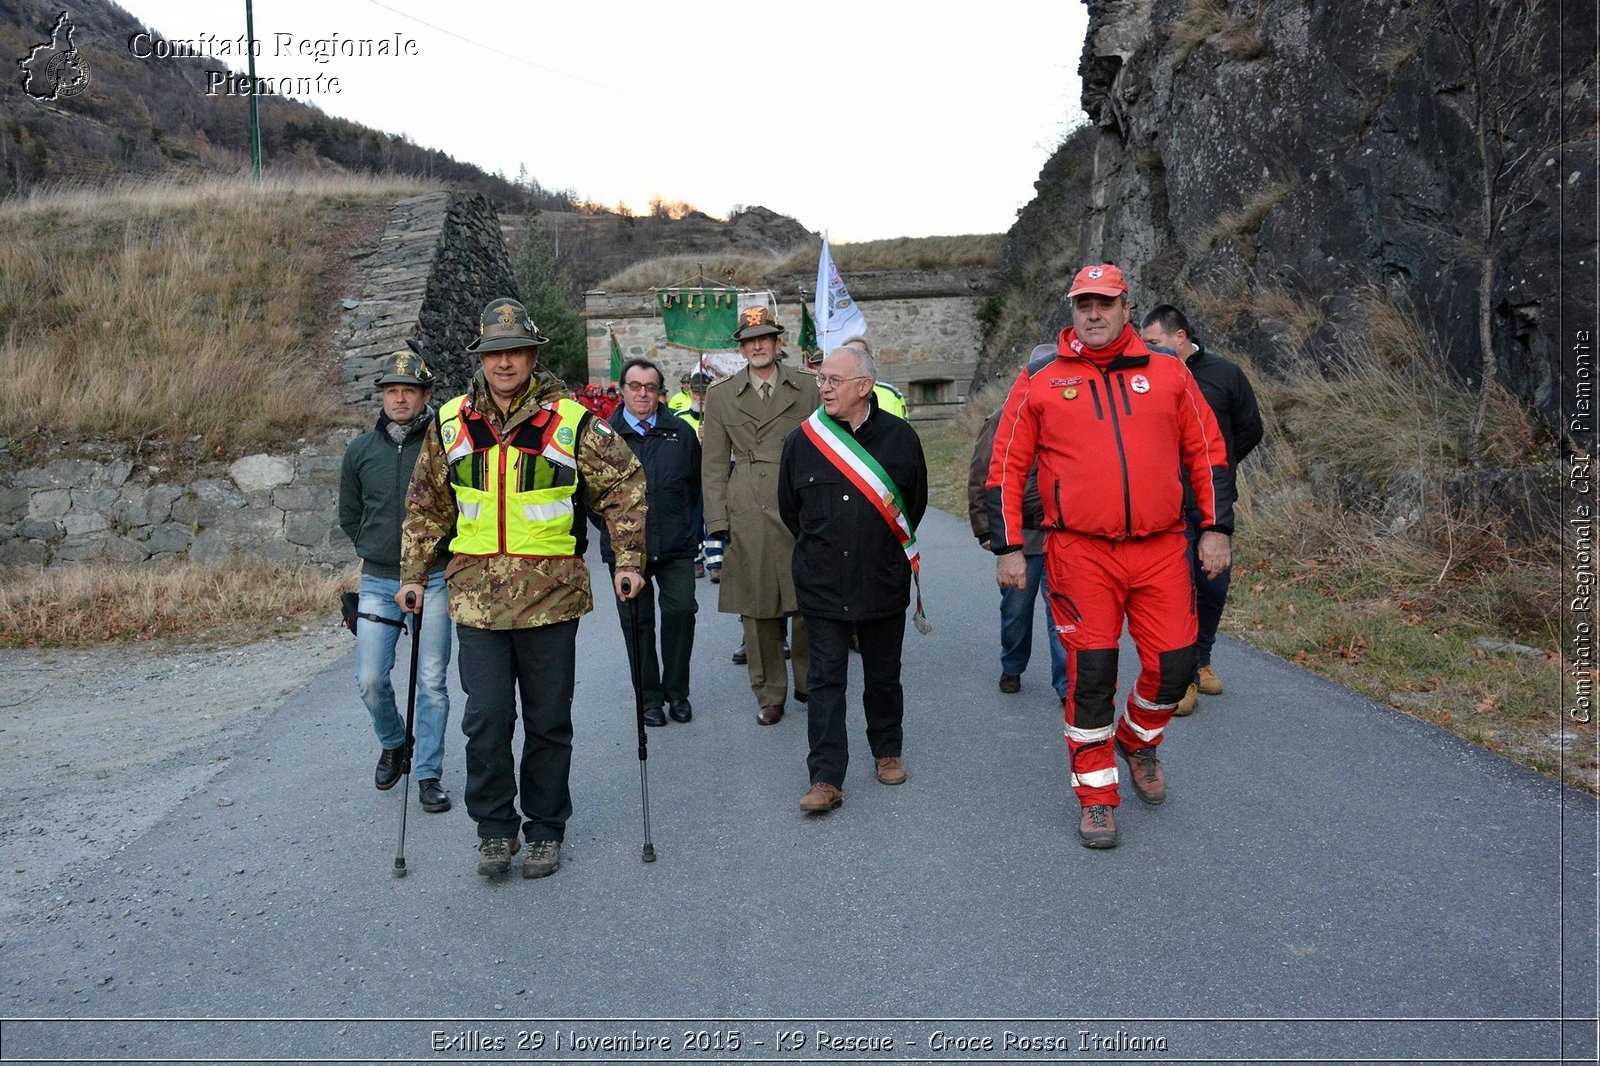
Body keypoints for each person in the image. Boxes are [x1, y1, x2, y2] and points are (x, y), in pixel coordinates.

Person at [398, 298, 646, 880]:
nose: (504, 363)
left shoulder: (571, 420)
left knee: (548, 719)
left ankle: (544, 830)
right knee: (485, 718)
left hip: (551, 600)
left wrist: (628, 558)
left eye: (514, 352)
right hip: (476, 601)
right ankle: (494, 830)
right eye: (493, 353)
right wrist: (412, 575)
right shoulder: (451, 421)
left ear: (533, 355)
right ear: (481, 359)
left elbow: (625, 486)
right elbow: (425, 505)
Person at [987, 264, 1233, 849]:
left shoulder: (1169, 371)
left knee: (1175, 666)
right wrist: (1009, 546)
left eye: (1105, 303)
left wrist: (1216, 528)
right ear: (1071, 310)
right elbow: (1006, 466)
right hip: (1079, 553)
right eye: (1083, 304)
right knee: (1091, 676)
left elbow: (1207, 450)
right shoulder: (1041, 376)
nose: (1093, 314)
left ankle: (1138, 739)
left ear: (1127, 307)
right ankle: (1096, 797)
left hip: (1161, 547)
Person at [780, 345, 927, 812]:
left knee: (884, 676)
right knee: (824, 681)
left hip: (881, 580)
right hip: (822, 583)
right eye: (821, 379)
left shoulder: (901, 439)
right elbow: (791, 512)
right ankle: (825, 778)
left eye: (833, 380)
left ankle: (887, 751)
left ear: (863, 387)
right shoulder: (801, 442)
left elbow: (914, 505)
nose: (823, 386)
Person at [338, 348, 454, 814]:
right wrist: (376, 546)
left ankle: (428, 773)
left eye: (408, 390)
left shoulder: (444, 446)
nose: (399, 398)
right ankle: (394, 741)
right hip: (379, 580)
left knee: (431, 681)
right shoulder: (360, 451)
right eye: (391, 390)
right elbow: (350, 514)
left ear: (426, 394)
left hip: (437, 578)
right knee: (369, 678)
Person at [1140, 304, 1263, 714]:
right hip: (1167, 504)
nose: (1148, 349)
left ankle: (1204, 659)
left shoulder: (1225, 374)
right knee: (1179, 588)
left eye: (1154, 341)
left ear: (1180, 337)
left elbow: (1250, 429)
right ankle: (1185, 677)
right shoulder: (1146, 378)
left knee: (1212, 585)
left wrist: (1217, 469)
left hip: (1214, 502)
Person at [701, 305, 819, 725]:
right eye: (750, 340)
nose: (758, 346)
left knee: (808, 598)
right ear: (742, 347)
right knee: (757, 605)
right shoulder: (720, 395)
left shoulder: (808, 388)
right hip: (747, 504)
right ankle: (770, 692)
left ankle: (809, 679)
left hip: (799, 502)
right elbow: (713, 463)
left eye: (764, 338)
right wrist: (717, 521)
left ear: (776, 342)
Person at [592, 356, 701, 727]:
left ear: (660, 392)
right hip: (626, 551)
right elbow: (591, 495)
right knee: (637, 624)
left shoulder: (681, 432)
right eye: (635, 386)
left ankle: (677, 692)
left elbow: (696, 485)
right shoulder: (604, 435)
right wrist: (612, 530)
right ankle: (649, 699)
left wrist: (693, 528)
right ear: (622, 390)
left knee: (681, 612)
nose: (642, 394)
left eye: (650, 387)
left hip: (676, 544)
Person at [968, 405, 1066, 701]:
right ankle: (1012, 666)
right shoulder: (1003, 416)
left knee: (1064, 613)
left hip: (1063, 534)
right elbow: (981, 472)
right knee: (1016, 612)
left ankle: (1067, 686)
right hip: (1020, 535)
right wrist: (986, 528)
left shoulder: (1071, 408)